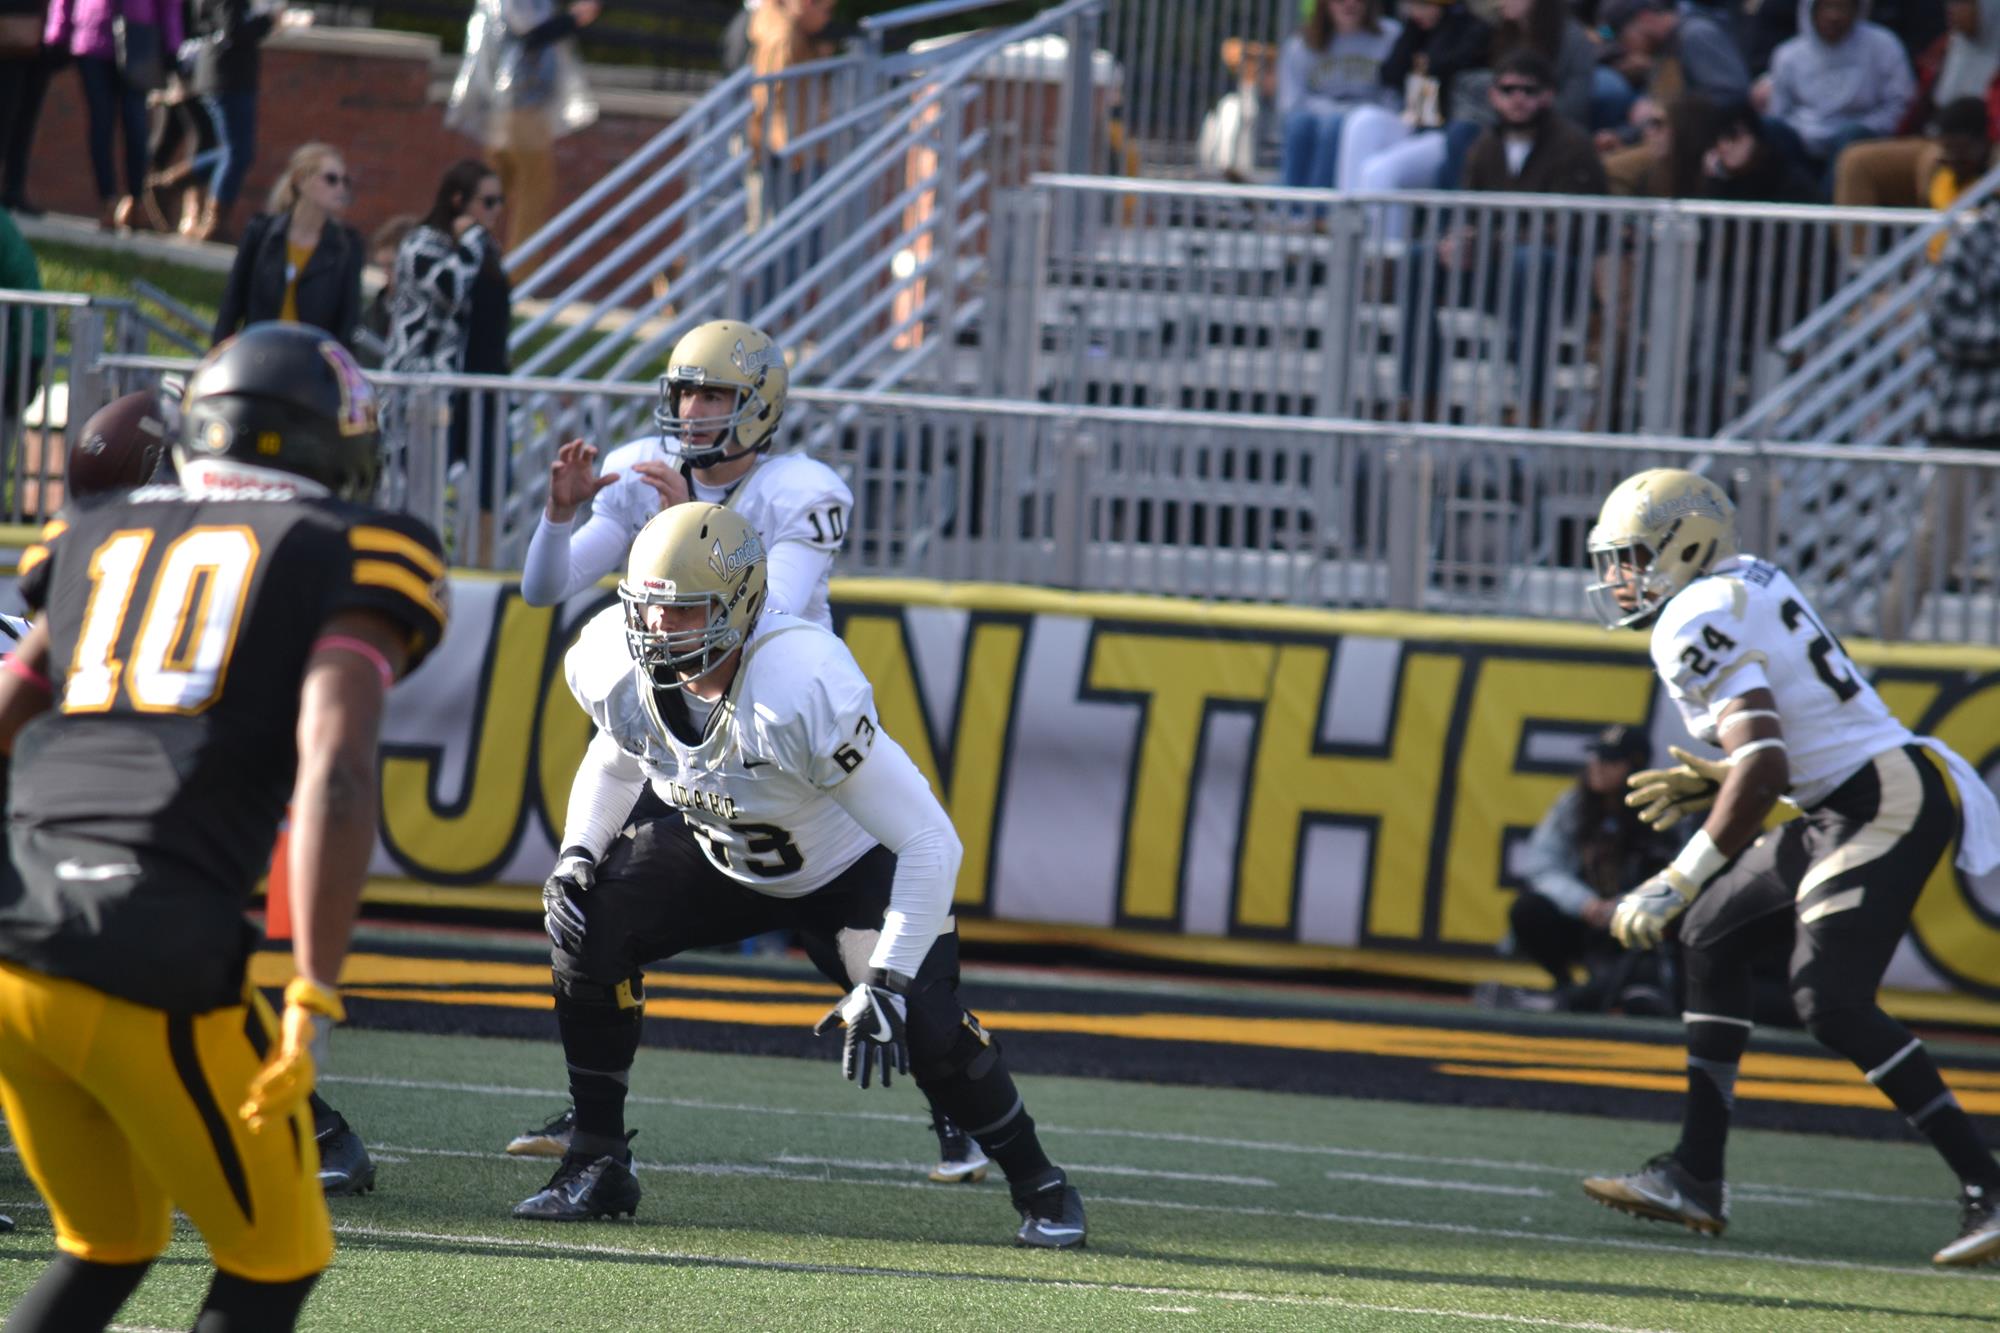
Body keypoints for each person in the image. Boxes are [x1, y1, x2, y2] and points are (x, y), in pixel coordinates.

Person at [0, 321, 448, 1331]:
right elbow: (334, 770)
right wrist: (313, 988)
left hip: (16, 940)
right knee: (275, 1255)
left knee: (106, 1243)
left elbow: (7, 714)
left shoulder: (95, 531)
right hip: (152, 952)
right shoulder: (348, 545)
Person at [511, 497, 1086, 1248]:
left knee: (927, 1024)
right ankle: (596, 1159)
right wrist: (578, 851)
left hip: (845, 869)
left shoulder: (797, 681)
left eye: (683, 614)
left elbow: (930, 840)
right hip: (720, 850)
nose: (656, 632)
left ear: (740, 606)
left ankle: (1041, 1182)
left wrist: (883, 983)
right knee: (588, 917)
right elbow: (622, 750)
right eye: (648, 611)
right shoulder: (613, 660)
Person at [512, 319, 991, 1187]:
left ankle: (951, 1105)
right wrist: (560, 514)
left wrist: (677, 529)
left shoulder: (798, 490)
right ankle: (594, 1120)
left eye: (715, 395)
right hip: (694, 723)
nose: (693, 412)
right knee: (602, 912)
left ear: (759, 405)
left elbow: (774, 613)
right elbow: (543, 587)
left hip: (787, 733)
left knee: (879, 964)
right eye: (684, 391)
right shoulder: (639, 463)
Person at [1577, 467, 2000, 1267]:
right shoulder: (1741, 580)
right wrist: (1724, 774)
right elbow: (1790, 736)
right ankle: (1695, 1175)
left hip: (1885, 798)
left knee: (1827, 998)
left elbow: (1767, 764)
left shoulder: (1690, 618)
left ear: (1687, 546)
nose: (1616, 577)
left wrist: (1677, 874)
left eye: (1631, 556)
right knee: (1711, 933)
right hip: (1855, 791)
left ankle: (1989, 1184)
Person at [1396, 49, 1607, 418]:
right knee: (1418, 260)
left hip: (1561, 275)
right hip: (1496, 267)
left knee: (1530, 263)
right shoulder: (1484, 147)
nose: (1518, 99)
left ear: (1548, 96)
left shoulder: (1573, 146)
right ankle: (1418, 395)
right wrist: (1457, 241)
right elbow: (1468, 213)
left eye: (1529, 90)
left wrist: (1487, 243)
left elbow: (1567, 229)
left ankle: (1532, 402)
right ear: (1493, 96)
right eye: (1508, 89)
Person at [1504, 724, 1675, 1011]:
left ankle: (1581, 999)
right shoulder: (1574, 804)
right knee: (1527, 910)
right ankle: (1565, 986)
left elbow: (1671, 877)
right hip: (1586, 917)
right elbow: (1542, 865)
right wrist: (1585, 903)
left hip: (1636, 925)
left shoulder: (1662, 812)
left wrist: (1623, 907)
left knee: (1643, 968)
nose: (1596, 767)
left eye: (1609, 761)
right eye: (1595, 758)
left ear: (1635, 767)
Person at [443, 0, 600, 253]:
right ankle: (518, 274)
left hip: (507, 103)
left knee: (493, 187)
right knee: (533, 191)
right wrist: (574, 19)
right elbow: (531, 31)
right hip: (521, 103)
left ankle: (468, 255)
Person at [44, 0, 184, 231]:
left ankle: (135, 199)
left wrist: (172, 44)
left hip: (138, 36)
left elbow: (169, 4)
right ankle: (107, 200)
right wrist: (57, 33)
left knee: (136, 124)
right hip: (92, 36)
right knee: (102, 123)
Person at [211, 142, 364, 347]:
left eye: (345, 181)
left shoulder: (348, 246)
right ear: (300, 180)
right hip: (259, 355)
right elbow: (233, 300)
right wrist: (218, 353)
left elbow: (348, 321)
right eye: (331, 179)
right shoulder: (261, 233)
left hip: (310, 365)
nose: (340, 188)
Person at [1757, 0, 1917, 197]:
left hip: (1860, 138)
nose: (1834, 16)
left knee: (1850, 137)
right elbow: (1779, 113)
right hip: (1804, 143)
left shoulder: (1884, 45)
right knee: (1769, 129)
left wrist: (1867, 126)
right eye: (1827, 7)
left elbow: (1900, 104)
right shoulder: (1787, 55)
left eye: (1843, 7)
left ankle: (1826, 215)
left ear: (1858, 10)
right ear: (1810, 11)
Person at [180, 0, 308, 243]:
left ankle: (173, 181)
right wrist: (271, 20)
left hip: (224, 75)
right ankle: (214, 221)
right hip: (227, 77)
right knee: (238, 152)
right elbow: (235, 30)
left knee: (235, 151)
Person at [1595, 0, 1752, 192]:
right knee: (1602, 163)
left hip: (1708, 144)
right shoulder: (1663, 51)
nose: (1626, 48)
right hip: (1669, 143)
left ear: (1645, 18)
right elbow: (1657, 117)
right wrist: (1624, 136)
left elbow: (1732, 94)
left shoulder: (1695, 35)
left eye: (1624, 37)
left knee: (1613, 171)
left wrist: (1677, 116)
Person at [1277, 0, 1403, 192]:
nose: (1349, 4)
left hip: (1368, 119)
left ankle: (1320, 214)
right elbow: (1292, 103)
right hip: (1316, 116)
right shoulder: (1301, 43)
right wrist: (1331, 111)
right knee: (1298, 124)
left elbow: (1393, 95)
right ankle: (1290, 209)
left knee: (1333, 126)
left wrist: (1349, 114)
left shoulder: (1390, 36)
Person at [0, 0, 55, 215]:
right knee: (5, 113)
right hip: (9, 34)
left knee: (27, 117)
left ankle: (15, 187)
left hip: (44, 37)